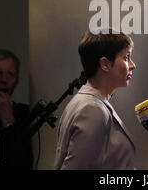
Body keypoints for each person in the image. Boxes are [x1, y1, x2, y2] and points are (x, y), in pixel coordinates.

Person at [53, 29, 136, 170]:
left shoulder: (86, 102)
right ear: (105, 64)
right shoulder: (92, 109)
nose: (133, 65)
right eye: (126, 57)